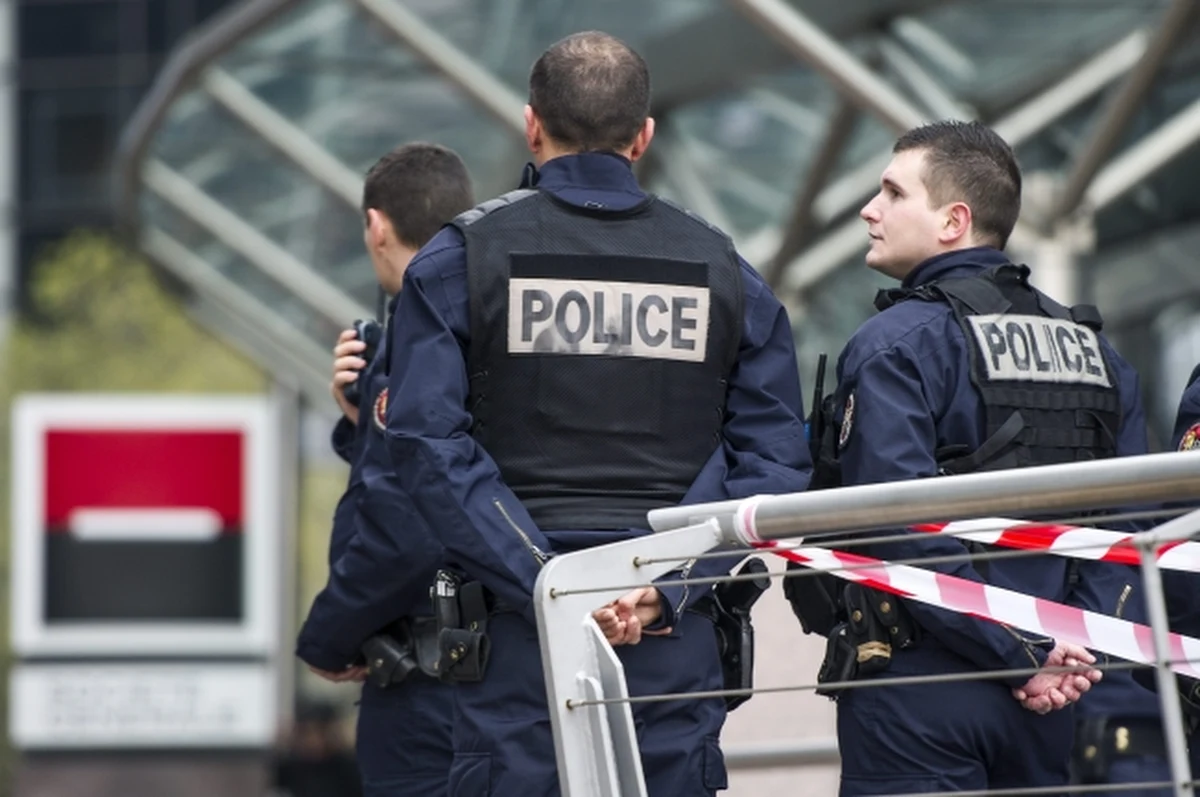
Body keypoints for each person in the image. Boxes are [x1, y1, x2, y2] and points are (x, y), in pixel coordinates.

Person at [382, 31, 811, 797]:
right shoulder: (723, 269)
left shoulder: (458, 261)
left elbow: (424, 442)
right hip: (670, 643)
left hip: (518, 643)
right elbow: (773, 457)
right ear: (643, 137)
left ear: (531, 125)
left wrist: (548, 583)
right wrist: (665, 584)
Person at [798, 120, 1152, 795]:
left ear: (953, 221)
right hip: (1064, 694)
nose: (869, 210)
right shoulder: (1100, 354)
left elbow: (898, 523)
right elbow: (1131, 527)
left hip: (923, 687)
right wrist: (1071, 648)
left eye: (893, 193)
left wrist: (1023, 654)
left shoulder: (895, 343)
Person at [295, 143, 475, 797]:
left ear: (376, 226)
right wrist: (360, 420)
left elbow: (407, 522)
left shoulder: (419, 331)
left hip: (430, 689)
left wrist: (328, 637)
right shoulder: (486, 316)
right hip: (500, 674)